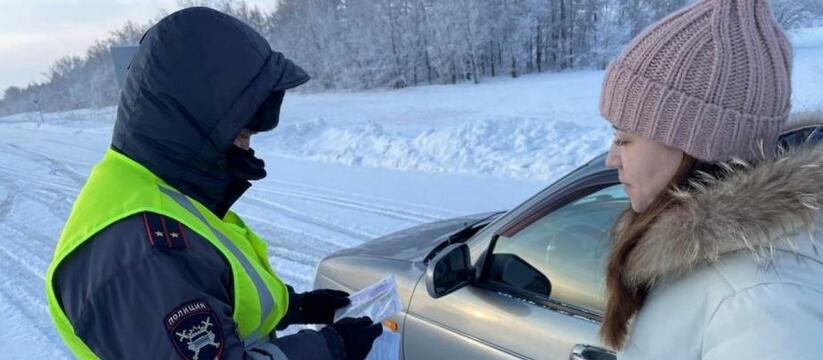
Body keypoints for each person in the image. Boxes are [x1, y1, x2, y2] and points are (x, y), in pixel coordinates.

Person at [46, 7, 382, 360]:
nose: (248, 148)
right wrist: (328, 348)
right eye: (240, 134)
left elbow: (221, 287)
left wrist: (296, 307)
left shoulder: (157, 189)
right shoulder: (145, 254)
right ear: (194, 126)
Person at [598, 0, 823, 358]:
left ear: (699, 143)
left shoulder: (761, 304)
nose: (612, 159)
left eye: (624, 139)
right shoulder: (704, 261)